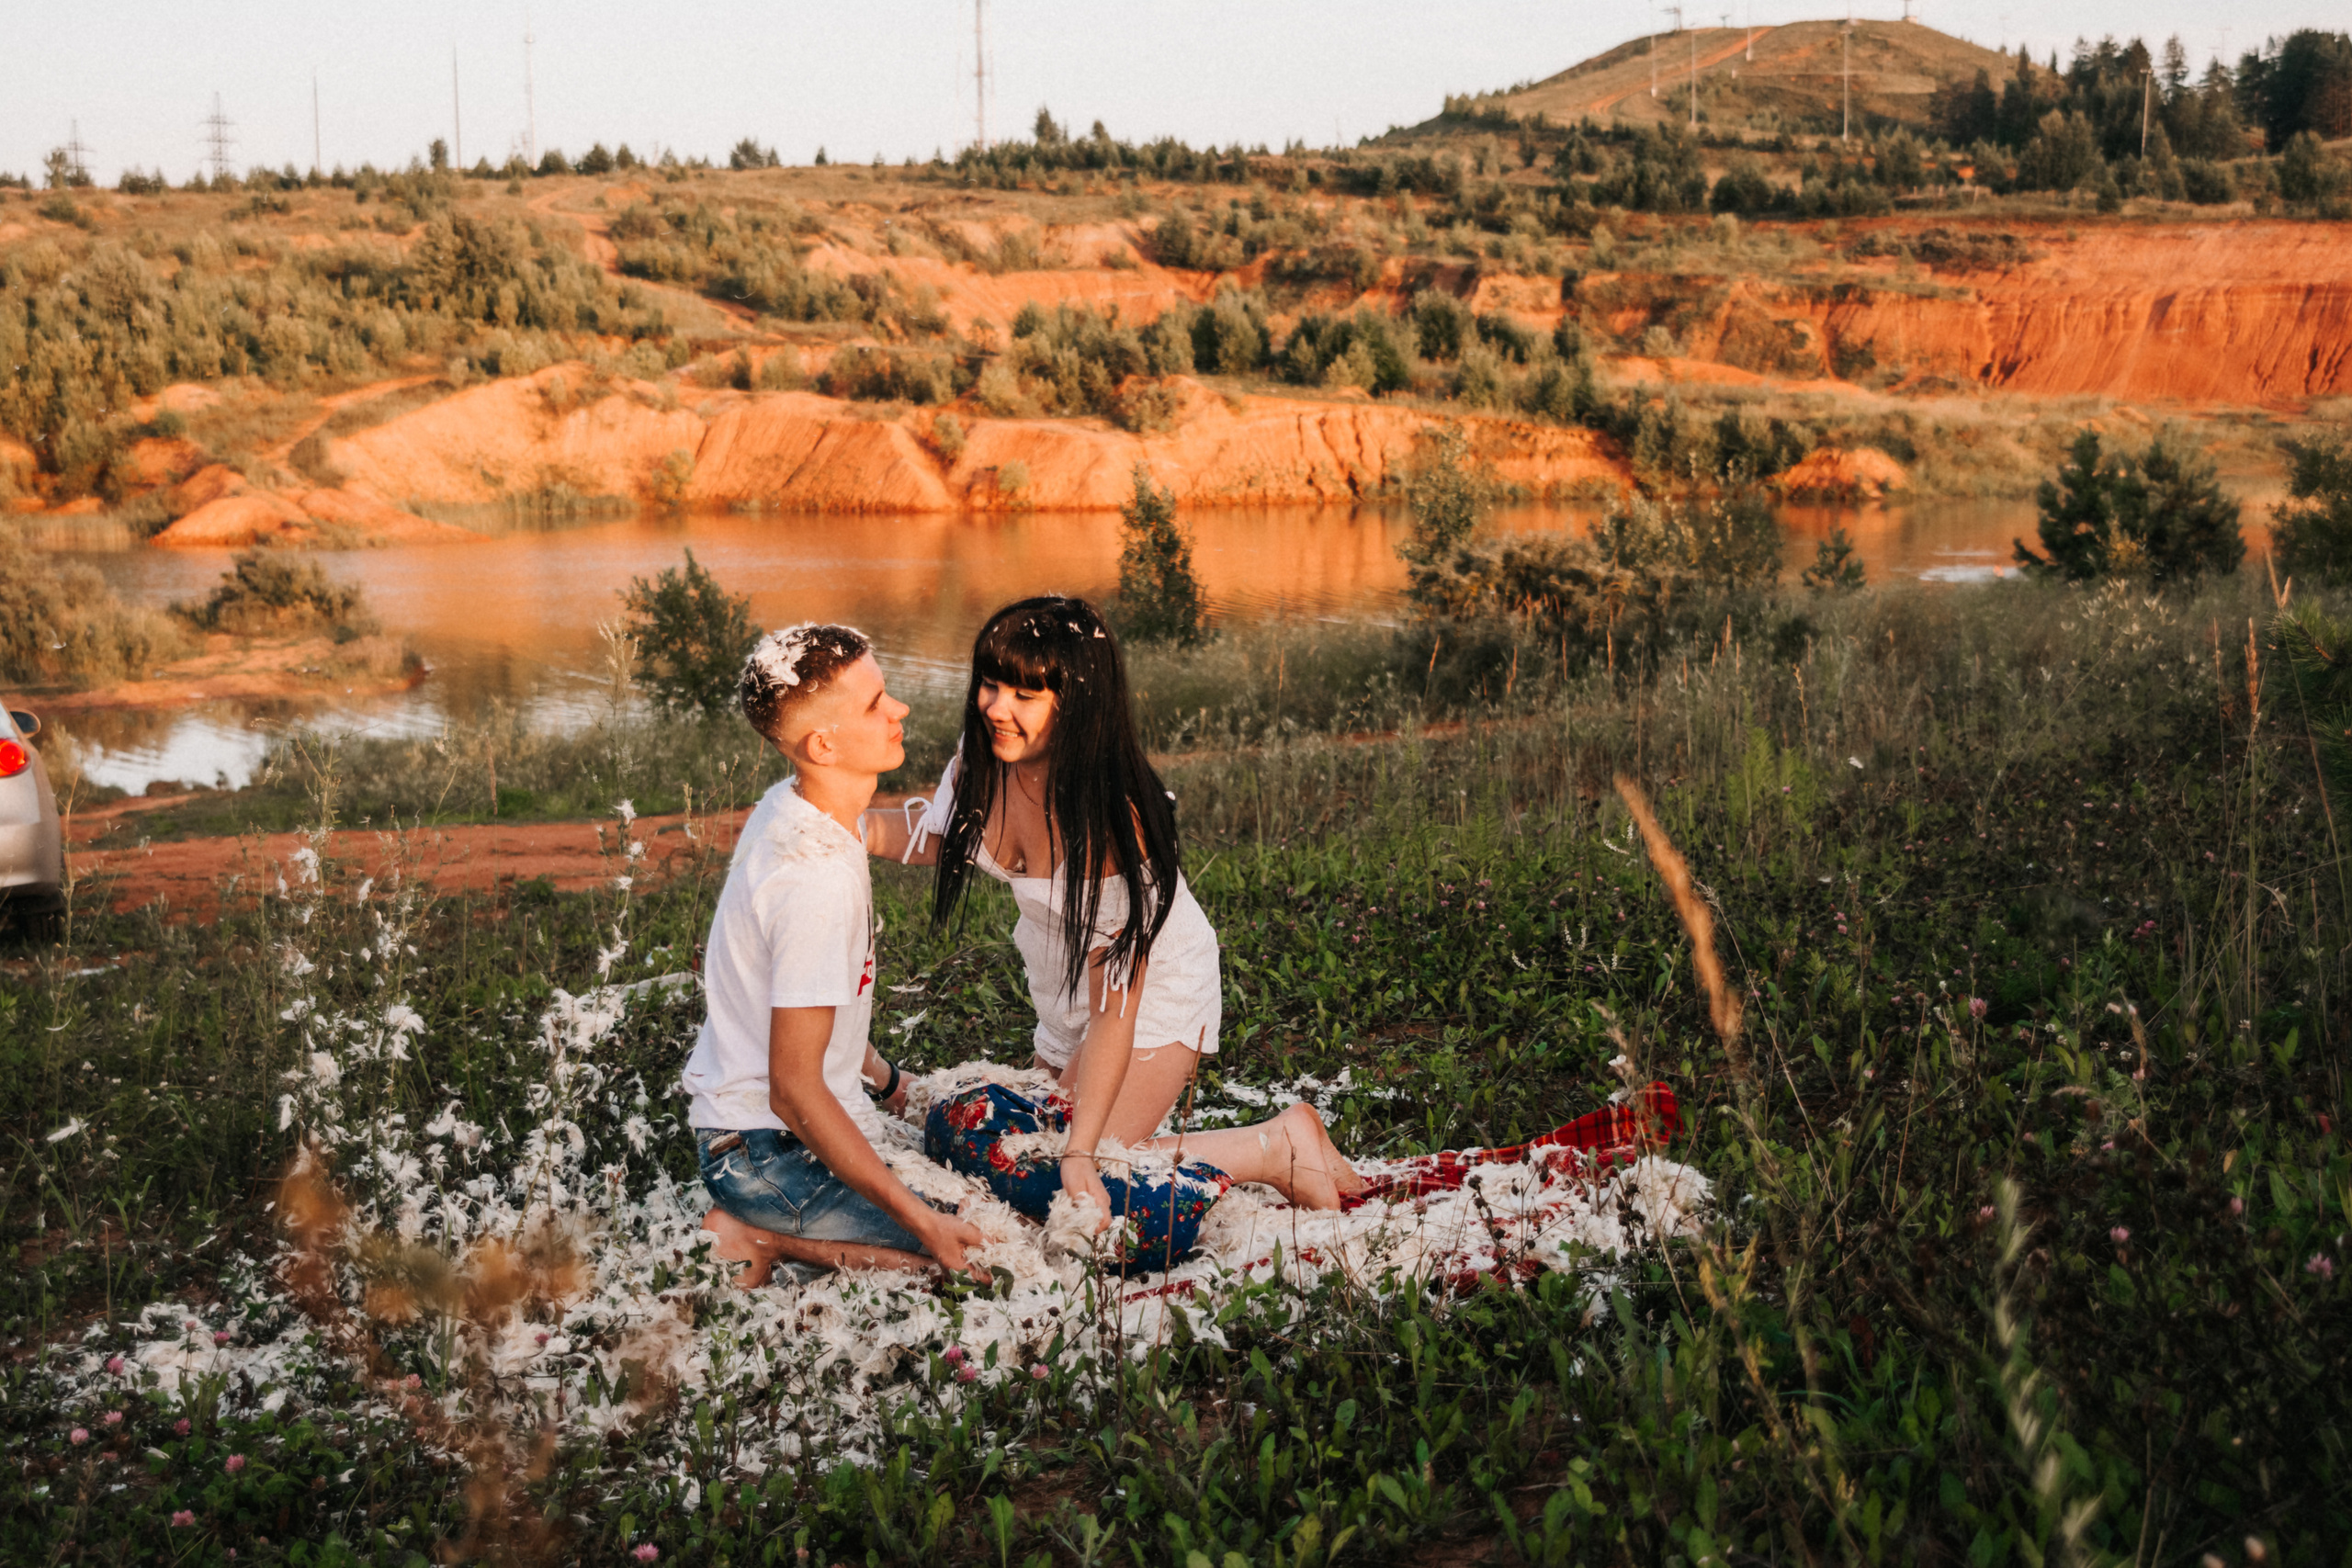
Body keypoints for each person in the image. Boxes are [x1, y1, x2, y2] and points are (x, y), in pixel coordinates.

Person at [865, 596, 1363, 1264]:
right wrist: (842, 825)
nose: (994, 706)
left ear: (1076, 704)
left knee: (1071, 1171)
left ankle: (1273, 1143)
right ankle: (1100, 1142)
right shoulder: (984, 758)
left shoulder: (1107, 824)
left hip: (1145, 996)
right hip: (1061, 987)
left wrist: (1078, 1155)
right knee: (1013, 1158)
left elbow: (1115, 1010)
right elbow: (934, 835)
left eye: (1024, 693)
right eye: (990, 683)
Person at [683, 623, 989, 1287]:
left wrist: (887, 1080)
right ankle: (752, 1234)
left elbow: (808, 1019)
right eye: (876, 703)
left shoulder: (802, 804)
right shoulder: (811, 881)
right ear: (823, 743)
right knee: (975, 1260)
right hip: (764, 1152)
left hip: (772, 1128)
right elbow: (794, 1092)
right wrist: (921, 1219)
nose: (898, 710)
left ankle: (780, 1225)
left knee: (970, 1202)